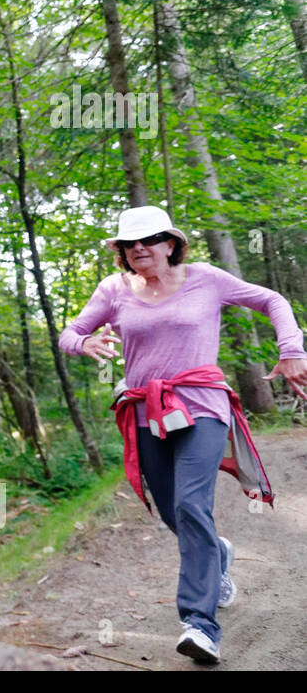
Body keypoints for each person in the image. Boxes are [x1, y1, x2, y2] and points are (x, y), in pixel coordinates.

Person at [60, 205, 307, 664]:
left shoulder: (206, 279)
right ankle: (219, 555)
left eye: (149, 239)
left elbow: (273, 300)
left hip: (204, 406)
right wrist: (84, 341)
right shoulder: (113, 289)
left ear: (170, 243)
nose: (138, 249)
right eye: (128, 244)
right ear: (120, 252)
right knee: (174, 511)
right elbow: (69, 333)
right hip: (146, 410)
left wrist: (292, 349)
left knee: (193, 504)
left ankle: (199, 622)